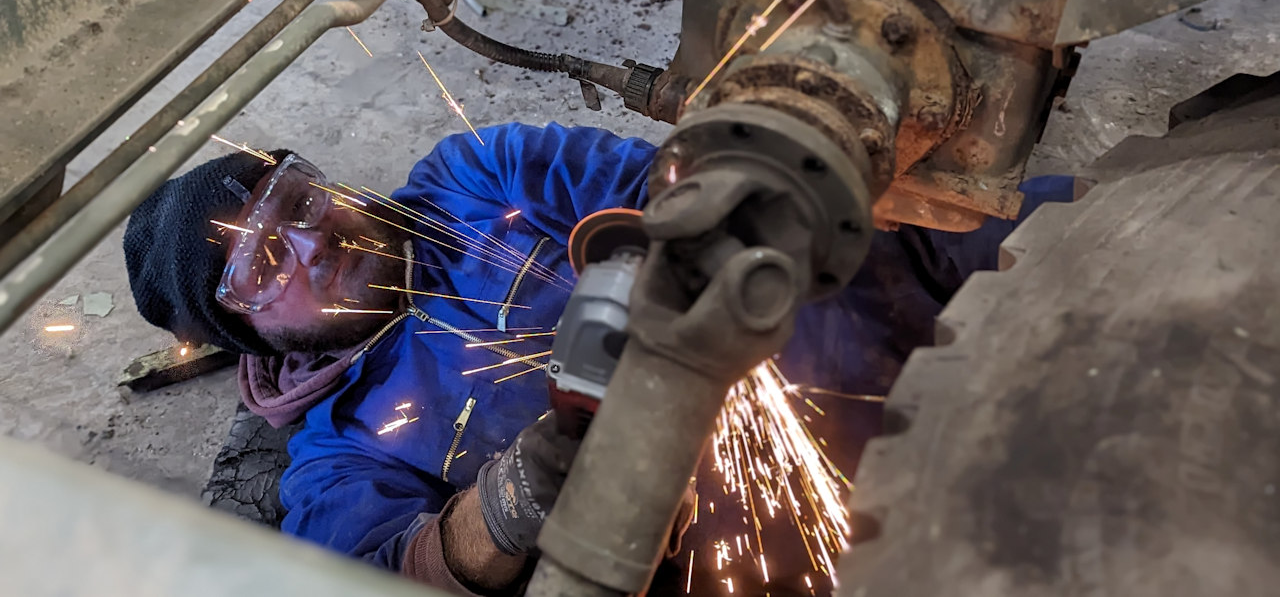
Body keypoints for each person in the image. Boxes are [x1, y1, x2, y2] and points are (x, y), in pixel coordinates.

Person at [123, 122, 1073, 596]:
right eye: (262, 264)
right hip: (815, 537)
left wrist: (665, 243)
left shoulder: (468, 176)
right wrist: (502, 506)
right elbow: (390, 568)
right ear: (246, 331)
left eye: (294, 201)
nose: (308, 241)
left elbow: (658, 181)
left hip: (881, 299)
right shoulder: (339, 456)